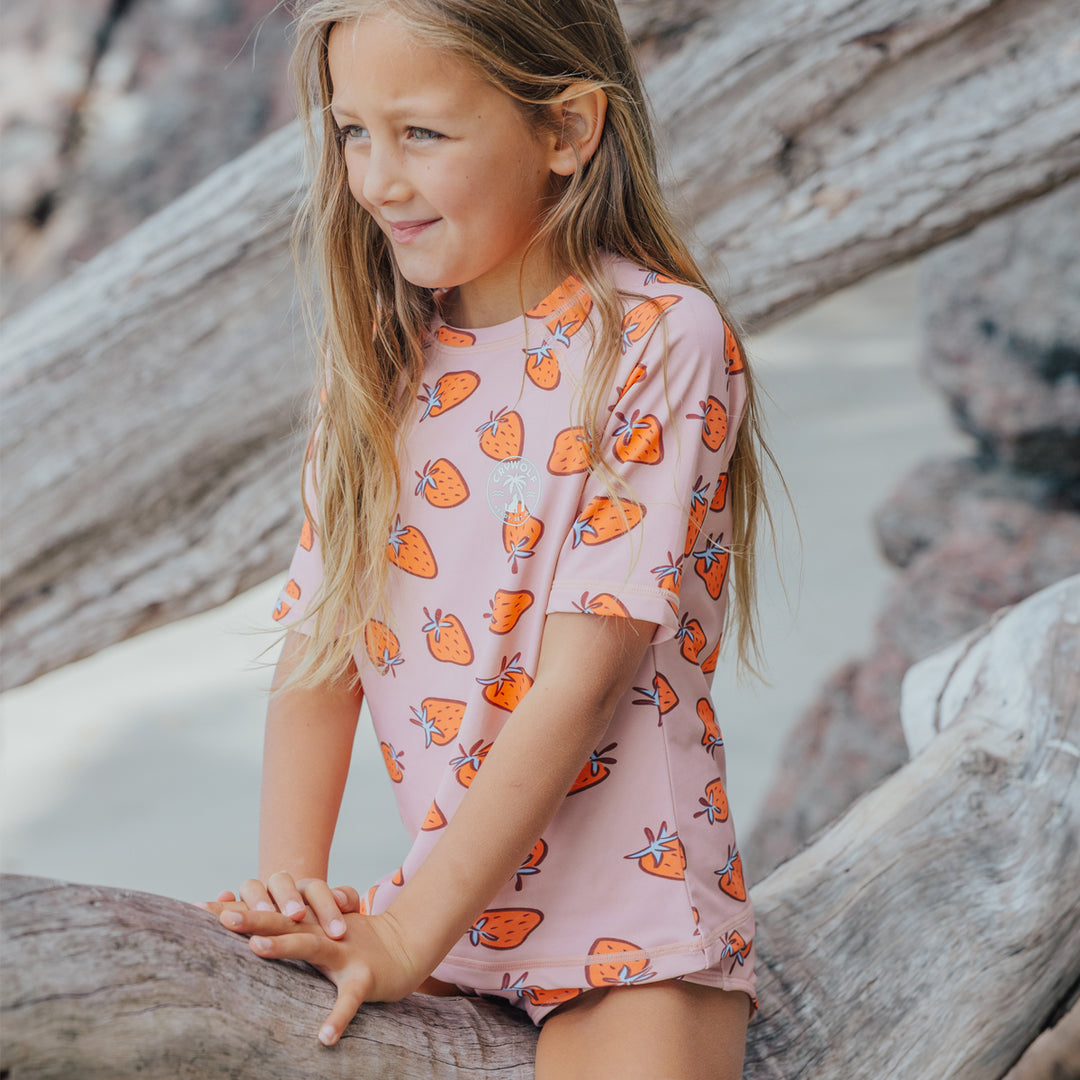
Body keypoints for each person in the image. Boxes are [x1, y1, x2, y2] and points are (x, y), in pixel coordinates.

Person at [204, 1, 776, 1075]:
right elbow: (324, 642)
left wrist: (406, 935)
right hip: (440, 916)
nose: (375, 179)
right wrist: (294, 880)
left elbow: (583, 682)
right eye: (352, 132)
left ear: (566, 131)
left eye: (421, 132)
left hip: (629, 928)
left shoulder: (658, 340)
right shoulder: (377, 356)